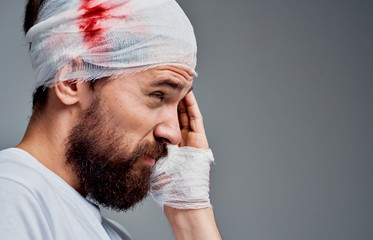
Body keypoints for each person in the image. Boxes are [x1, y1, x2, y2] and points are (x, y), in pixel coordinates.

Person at [0, 0, 222, 239]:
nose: (174, 135)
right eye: (157, 95)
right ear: (72, 81)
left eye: (178, 104)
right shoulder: (11, 198)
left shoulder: (110, 233)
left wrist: (190, 211)